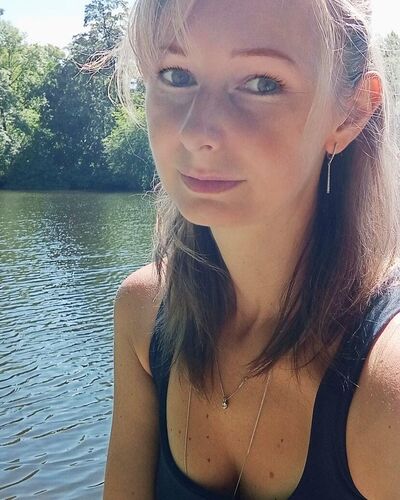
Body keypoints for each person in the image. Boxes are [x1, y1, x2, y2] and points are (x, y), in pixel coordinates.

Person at [103, 0, 400, 498]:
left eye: (262, 83)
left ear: (350, 113)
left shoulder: (386, 391)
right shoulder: (144, 314)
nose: (197, 132)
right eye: (176, 75)